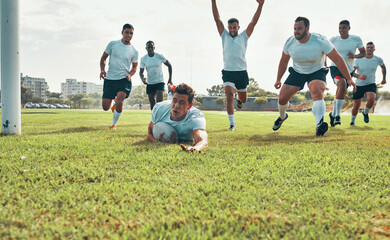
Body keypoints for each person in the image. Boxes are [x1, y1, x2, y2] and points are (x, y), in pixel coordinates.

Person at [273, 17, 356, 137]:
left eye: (299, 28)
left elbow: (337, 59)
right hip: (297, 72)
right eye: (295, 28)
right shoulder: (290, 42)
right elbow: (284, 61)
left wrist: (348, 78)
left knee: (317, 91)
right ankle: (282, 117)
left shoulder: (320, 40)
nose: (296, 31)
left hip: (317, 71)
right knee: (282, 99)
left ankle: (319, 125)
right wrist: (278, 79)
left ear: (307, 28)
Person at [211, 0, 265, 131]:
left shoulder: (244, 36)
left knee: (243, 99)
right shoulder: (224, 35)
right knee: (229, 96)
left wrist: (260, 5)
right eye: (230, 27)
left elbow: (253, 22)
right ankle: (232, 125)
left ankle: (239, 100)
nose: (232, 29)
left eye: (234, 27)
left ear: (238, 27)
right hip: (228, 72)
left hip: (241, 72)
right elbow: (217, 19)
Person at [147, 83, 208, 153]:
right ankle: (170, 90)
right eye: (174, 100)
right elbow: (149, 134)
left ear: (189, 106)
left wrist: (196, 148)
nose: (176, 106)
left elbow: (202, 141)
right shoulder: (159, 109)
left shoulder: (195, 116)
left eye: (182, 103)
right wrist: (157, 141)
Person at [99, 23, 138, 130]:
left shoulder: (134, 51)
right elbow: (103, 58)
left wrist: (130, 74)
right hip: (110, 79)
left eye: (131, 33)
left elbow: (134, 67)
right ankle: (114, 102)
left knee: (120, 100)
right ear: (122, 33)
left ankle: (113, 125)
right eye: (126, 32)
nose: (129, 35)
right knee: (105, 107)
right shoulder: (113, 44)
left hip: (123, 79)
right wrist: (102, 69)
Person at [327, 20, 365, 127]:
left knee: (341, 90)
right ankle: (338, 116)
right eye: (339, 28)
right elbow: (325, 51)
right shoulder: (333, 40)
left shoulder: (356, 39)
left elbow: (363, 53)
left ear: (349, 28)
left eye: (343, 28)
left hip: (349, 70)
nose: (341, 30)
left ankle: (333, 114)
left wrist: (355, 56)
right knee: (342, 84)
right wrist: (325, 63)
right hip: (335, 68)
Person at [350, 42, 386, 125]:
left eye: (371, 47)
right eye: (368, 47)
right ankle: (352, 122)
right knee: (356, 105)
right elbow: (352, 72)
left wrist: (384, 79)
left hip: (371, 83)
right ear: (365, 49)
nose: (369, 49)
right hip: (359, 85)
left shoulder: (378, 59)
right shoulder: (358, 60)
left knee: (371, 99)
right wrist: (359, 76)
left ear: (374, 49)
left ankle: (365, 112)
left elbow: (383, 67)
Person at [139, 41, 173, 110]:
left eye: (151, 47)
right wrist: (142, 79)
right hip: (150, 83)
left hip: (159, 82)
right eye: (149, 47)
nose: (150, 49)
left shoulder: (159, 56)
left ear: (154, 48)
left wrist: (170, 79)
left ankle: (160, 118)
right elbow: (141, 72)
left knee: (159, 102)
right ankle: (154, 119)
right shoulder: (143, 59)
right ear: (146, 48)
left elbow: (169, 65)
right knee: (152, 103)